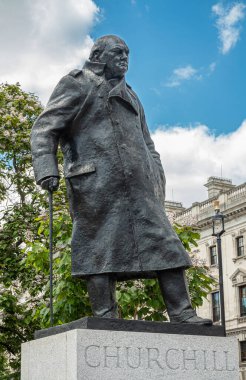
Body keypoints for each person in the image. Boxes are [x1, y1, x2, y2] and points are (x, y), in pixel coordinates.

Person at [31, 35, 211, 324]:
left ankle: (182, 312)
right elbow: (44, 129)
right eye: (118, 53)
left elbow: (147, 143)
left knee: (166, 244)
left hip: (140, 187)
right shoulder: (77, 83)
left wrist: (157, 177)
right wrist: (46, 168)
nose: (125, 58)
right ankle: (105, 314)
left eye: (127, 53)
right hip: (96, 185)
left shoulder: (132, 94)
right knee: (98, 249)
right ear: (98, 55)